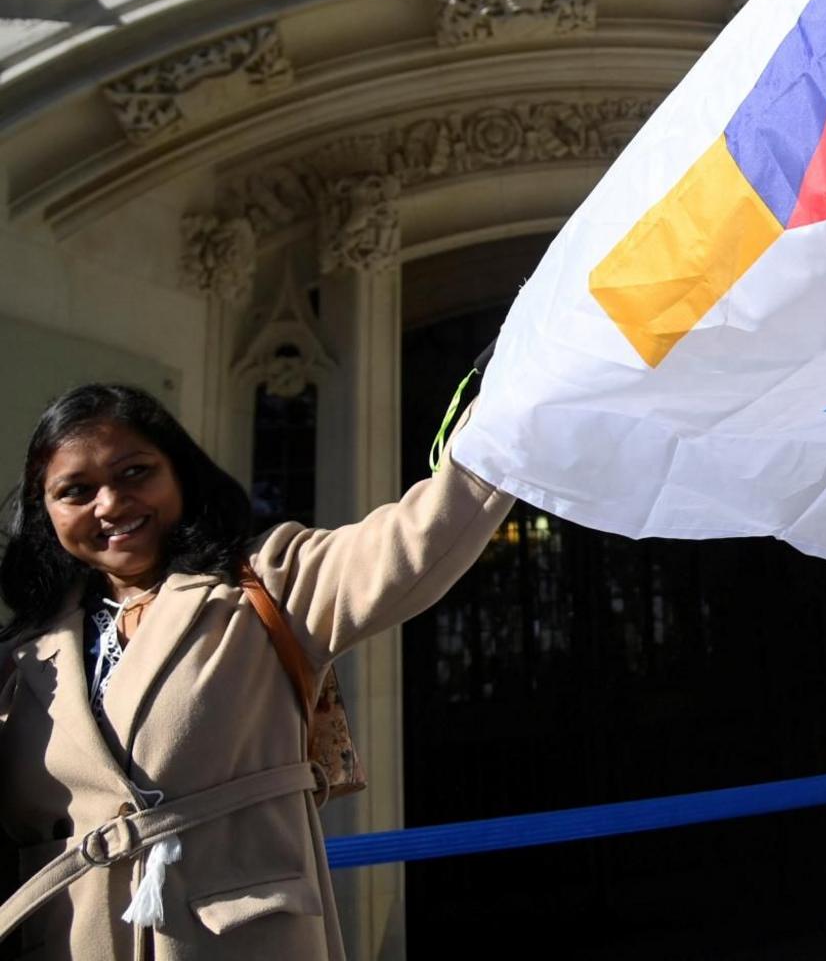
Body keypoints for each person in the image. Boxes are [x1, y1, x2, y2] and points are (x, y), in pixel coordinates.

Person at [0, 362, 510, 958]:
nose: (110, 504)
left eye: (135, 472)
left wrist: (509, 397)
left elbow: (417, 539)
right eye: (75, 491)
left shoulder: (268, 585)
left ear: (180, 476)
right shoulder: (26, 655)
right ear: (47, 513)